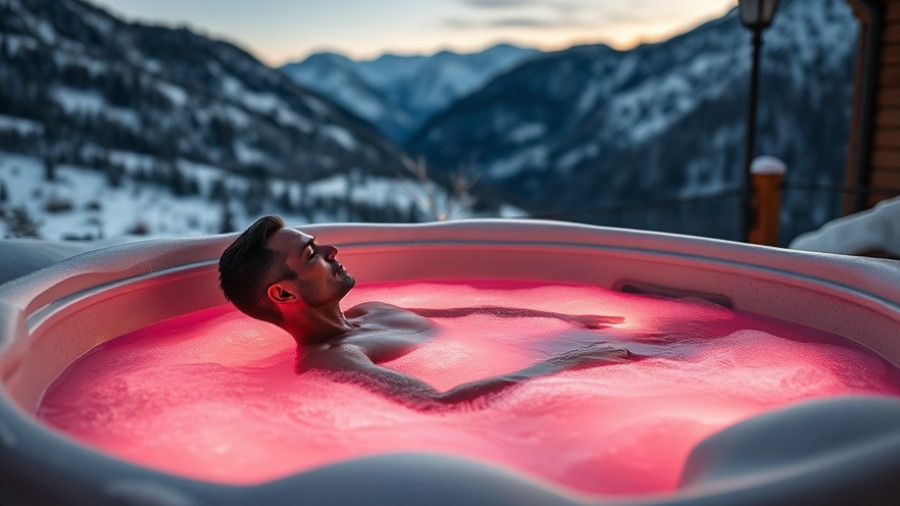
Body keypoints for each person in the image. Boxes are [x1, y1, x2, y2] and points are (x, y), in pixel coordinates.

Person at [218, 215, 639, 410]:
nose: (331, 251)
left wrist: (563, 321)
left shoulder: (370, 311)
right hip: (558, 386)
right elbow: (438, 403)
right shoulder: (329, 360)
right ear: (284, 294)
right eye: (311, 253)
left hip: (565, 354)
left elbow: (470, 313)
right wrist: (566, 364)